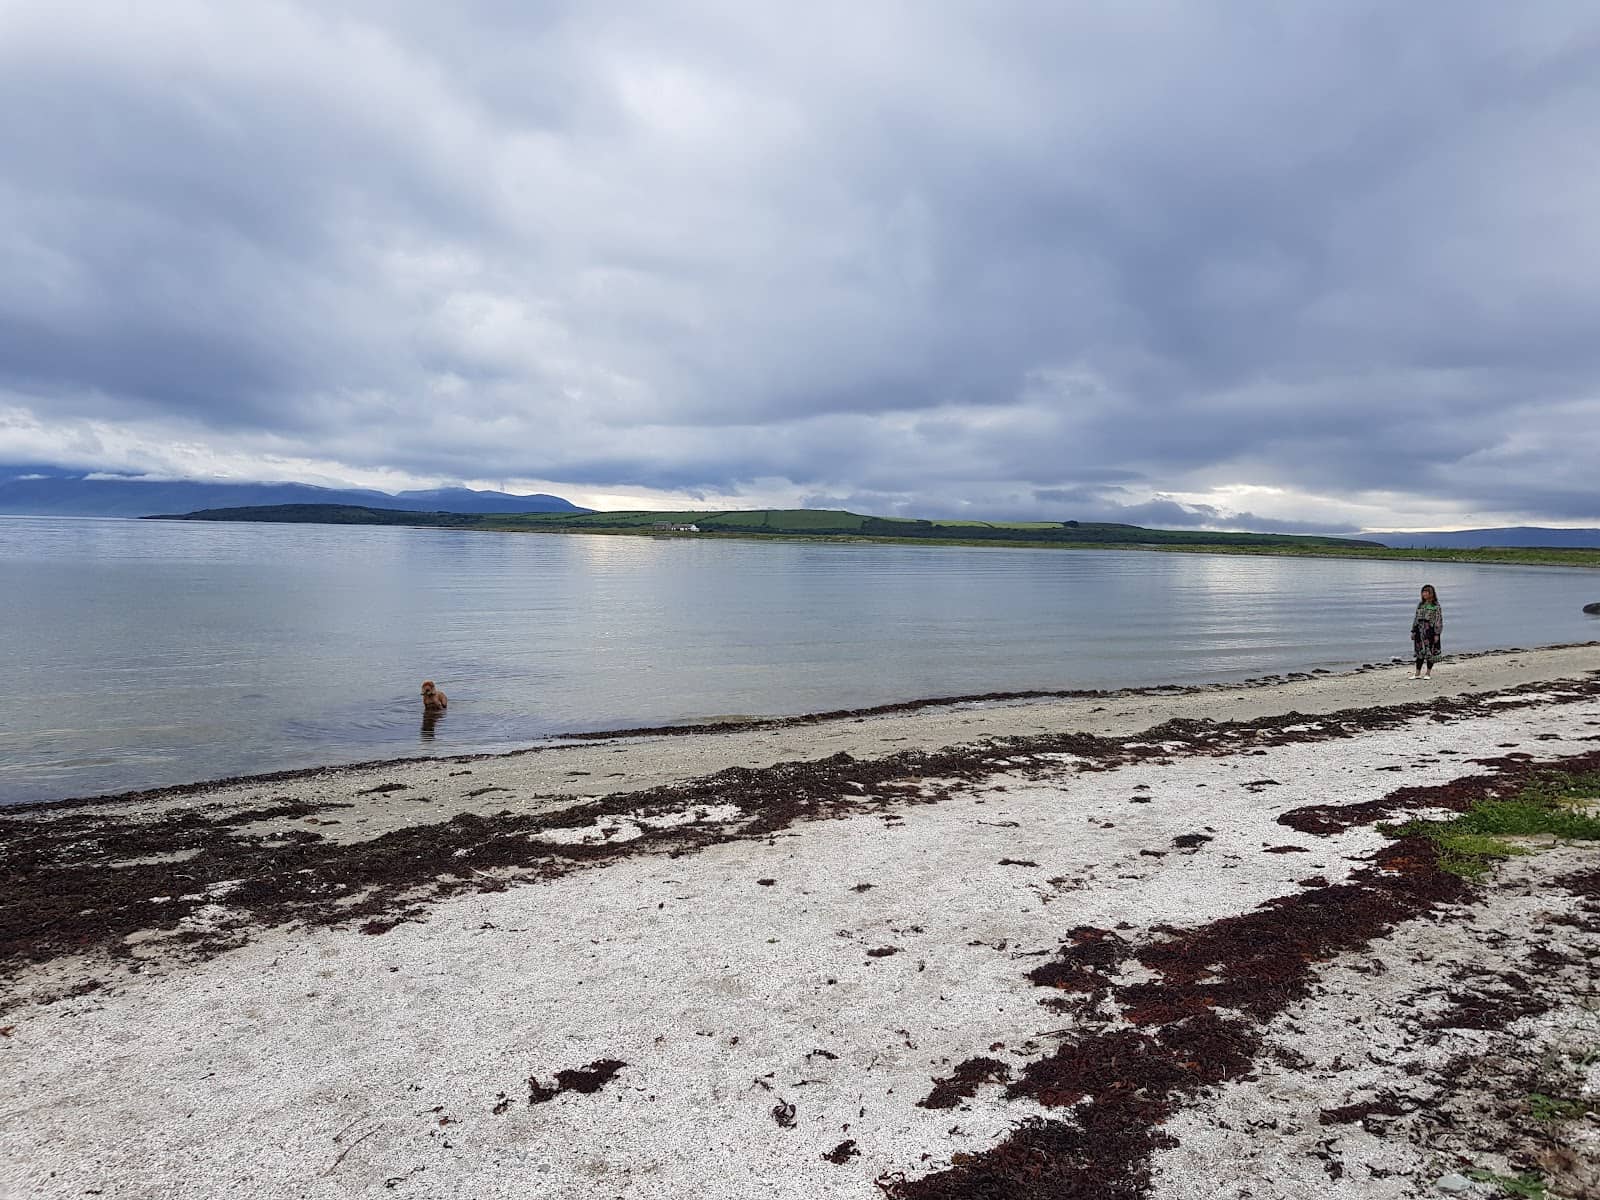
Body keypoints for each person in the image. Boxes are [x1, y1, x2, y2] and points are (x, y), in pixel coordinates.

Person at [1411, 584, 1443, 678]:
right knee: (1419, 653)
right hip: (1419, 631)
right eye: (1423, 592)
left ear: (1431, 593)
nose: (1424, 594)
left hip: (1430, 631)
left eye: (1426, 592)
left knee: (1430, 652)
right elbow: (1416, 618)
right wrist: (1413, 631)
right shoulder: (1420, 604)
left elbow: (1439, 620)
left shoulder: (1436, 606)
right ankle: (1417, 673)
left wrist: (1437, 633)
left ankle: (1428, 673)